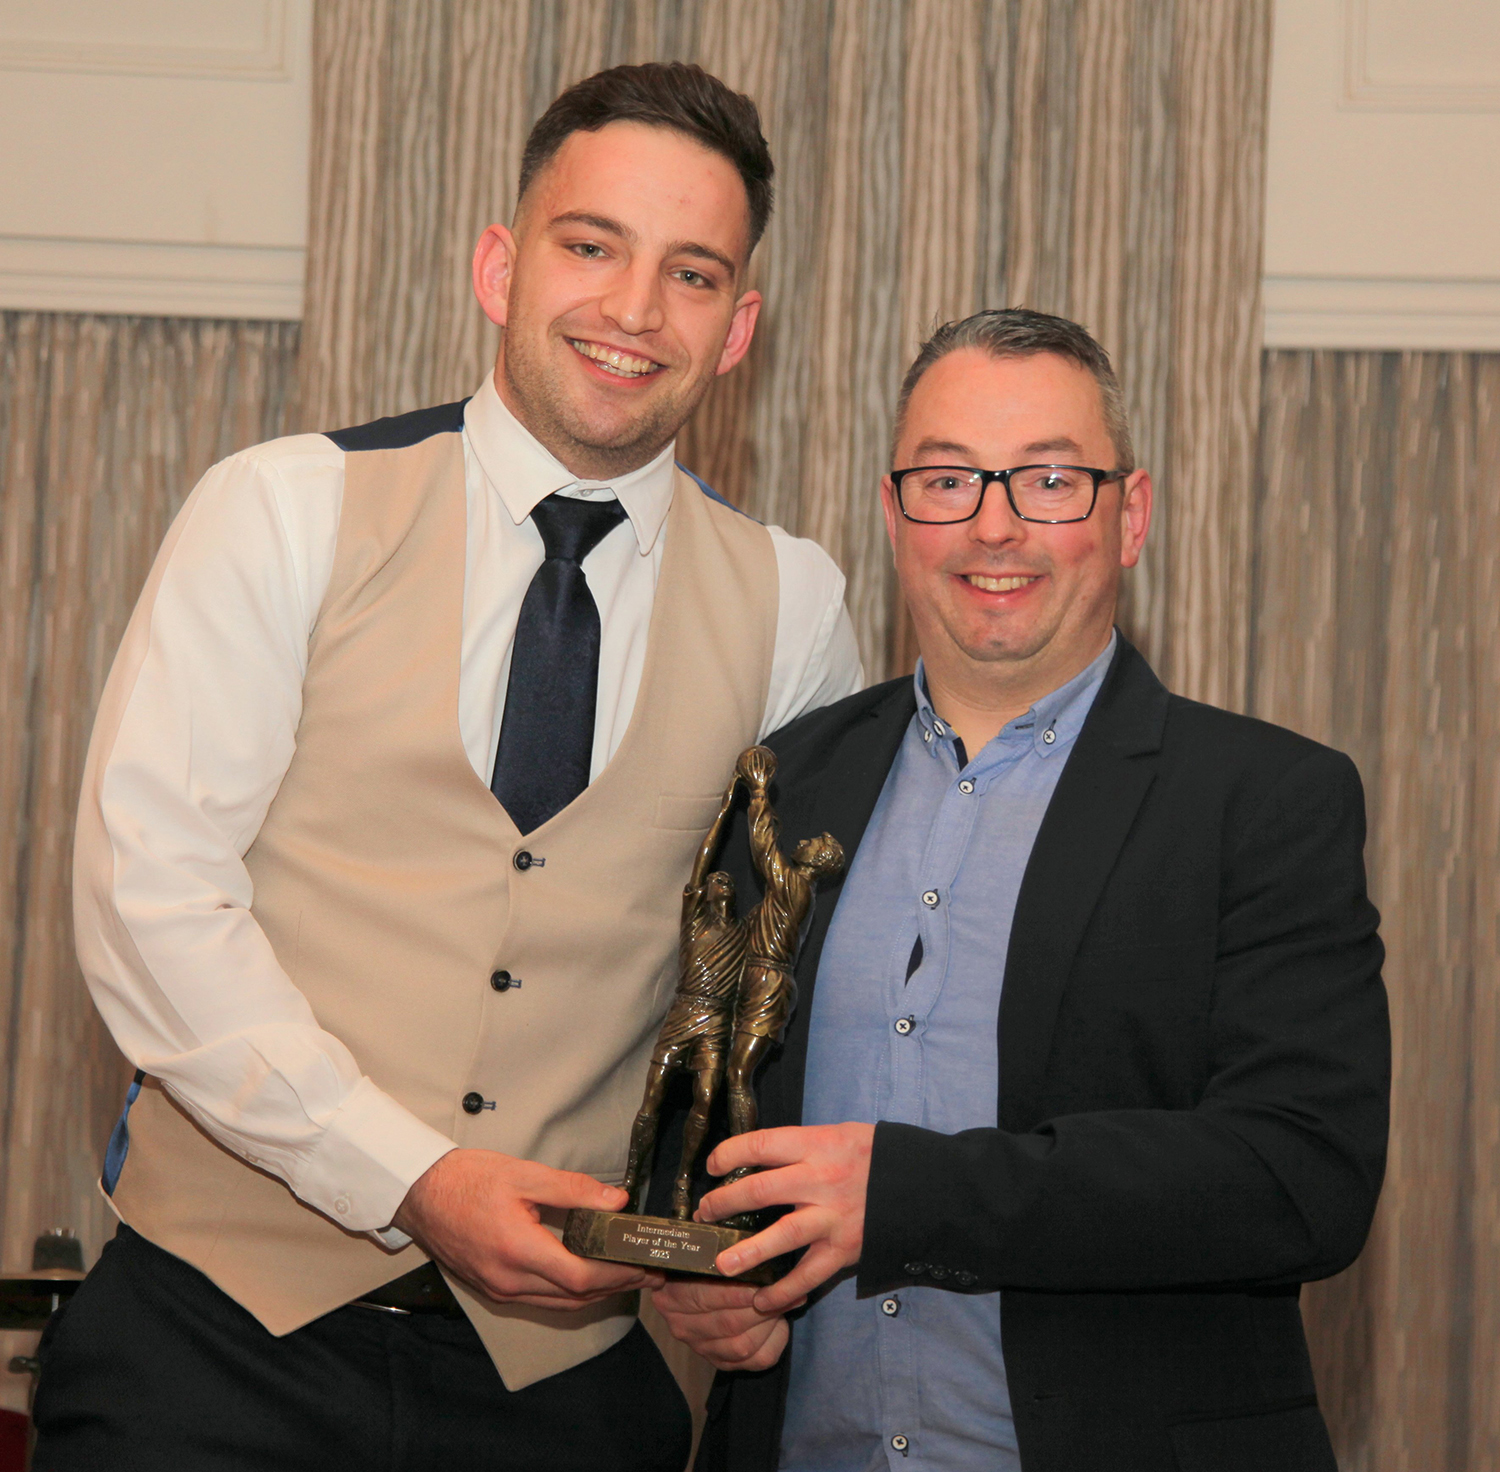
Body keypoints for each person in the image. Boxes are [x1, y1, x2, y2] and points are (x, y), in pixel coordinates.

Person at [48, 62, 862, 1471]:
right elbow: (151, 903)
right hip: (212, 1345)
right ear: (501, 262)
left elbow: (789, 991)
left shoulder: (796, 605)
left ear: (740, 330)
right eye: (589, 245)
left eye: (690, 274)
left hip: (569, 1387)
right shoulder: (285, 510)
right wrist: (411, 1177)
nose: (630, 310)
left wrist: (749, 1264)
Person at [655, 307, 1389, 1472]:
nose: (994, 525)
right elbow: (721, 1126)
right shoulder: (784, 784)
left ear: (1130, 514)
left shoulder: (1266, 799)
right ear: (895, 512)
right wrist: (699, 1281)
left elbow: (1303, 1177)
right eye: (947, 479)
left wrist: (909, 1192)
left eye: (1050, 478)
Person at [622, 772, 749, 1221]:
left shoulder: (745, 932)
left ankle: (681, 1184)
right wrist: (728, 805)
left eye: (729, 883)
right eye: (718, 882)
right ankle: (630, 1183)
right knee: (652, 1100)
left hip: (717, 1020)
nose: (724, 883)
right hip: (684, 1011)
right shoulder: (695, 921)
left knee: (708, 1098)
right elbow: (703, 859)